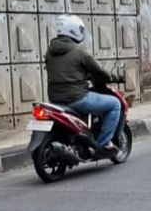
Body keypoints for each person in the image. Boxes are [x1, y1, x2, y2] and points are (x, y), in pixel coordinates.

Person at [44, 14, 121, 155]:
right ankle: (103, 144)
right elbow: (99, 71)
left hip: (55, 99)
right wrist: (115, 77)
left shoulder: (49, 52)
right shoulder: (79, 52)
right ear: (73, 30)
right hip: (77, 98)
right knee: (115, 104)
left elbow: (64, 72)